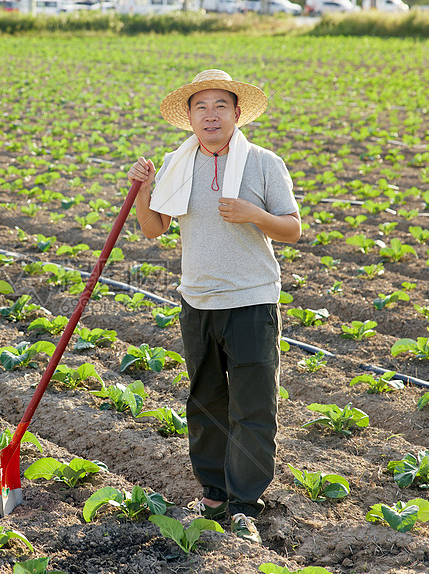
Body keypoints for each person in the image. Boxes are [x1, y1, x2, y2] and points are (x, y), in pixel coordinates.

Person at [127, 69, 301, 544]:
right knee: (205, 402)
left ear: (237, 113)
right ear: (188, 117)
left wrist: (255, 215)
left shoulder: (264, 163)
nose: (211, 115)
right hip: (197, 300)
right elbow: (153, 228)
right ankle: (213, 493)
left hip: (251, 301)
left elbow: (292, 229)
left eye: (220, 105)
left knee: (253, 405)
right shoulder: (177, 164)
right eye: (200, 107)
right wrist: (144, 188)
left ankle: (245, 502)